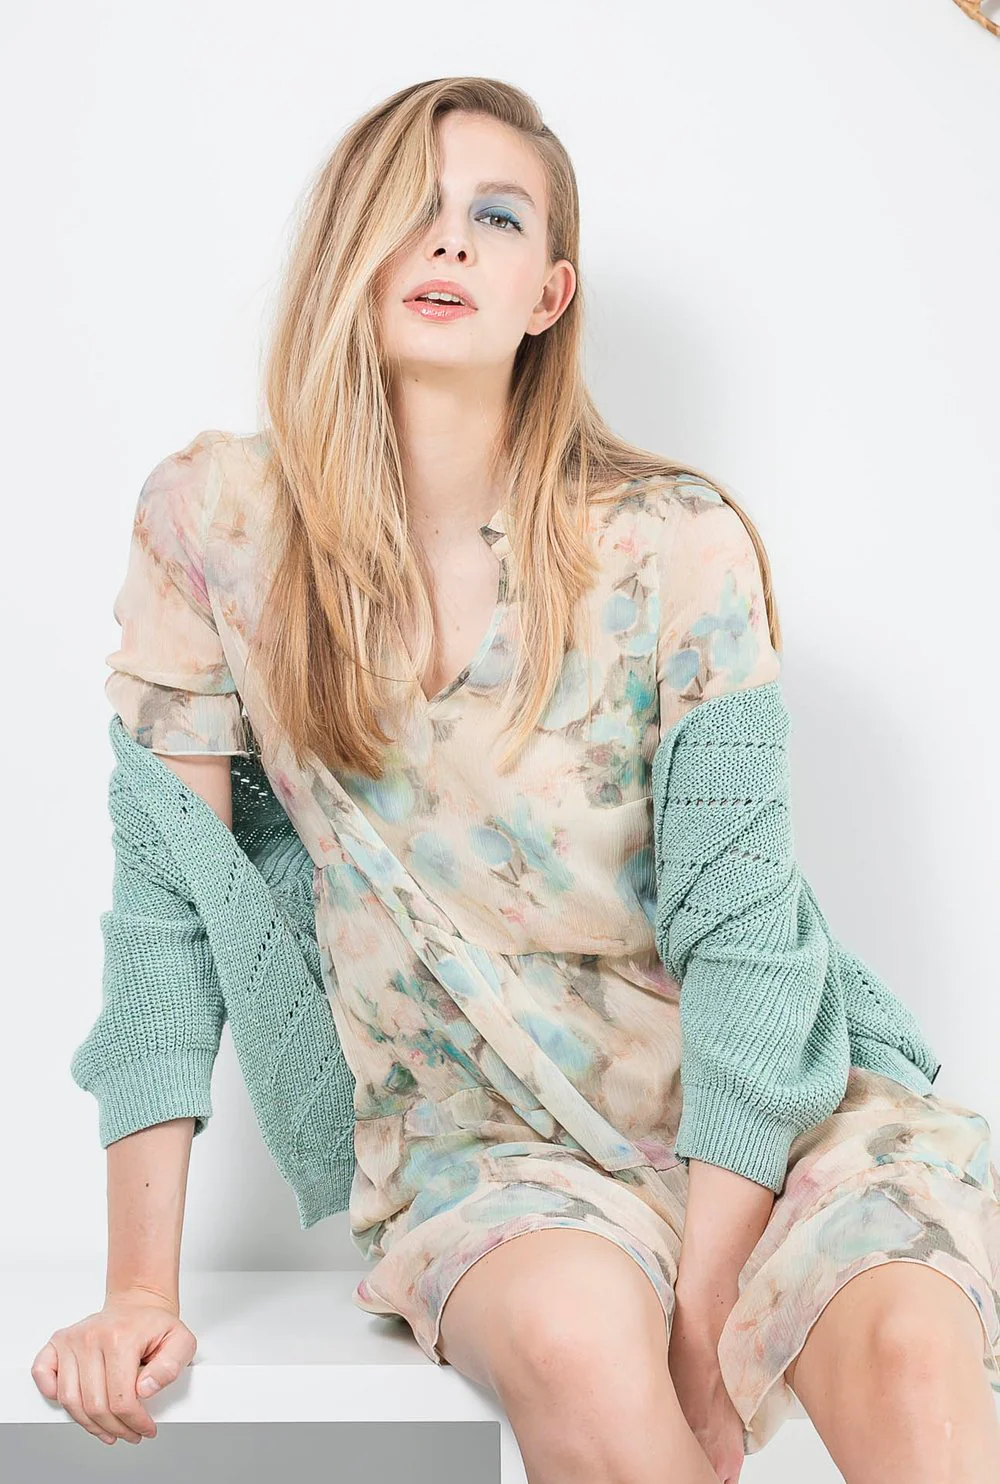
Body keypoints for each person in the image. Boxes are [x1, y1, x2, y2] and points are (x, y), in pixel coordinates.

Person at [35, 77, 1000, 1483]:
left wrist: (707, 1323)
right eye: (410, 209)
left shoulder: (674, 543)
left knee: (911, 1344)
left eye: (496, 216)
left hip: (758, 1117)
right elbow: (170, 921)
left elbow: (745, 939)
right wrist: (137, 1290)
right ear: (348, 250)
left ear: (549, 294)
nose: (450, 241)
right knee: (569, 1343)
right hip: (483, 1146)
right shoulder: (218, 528)